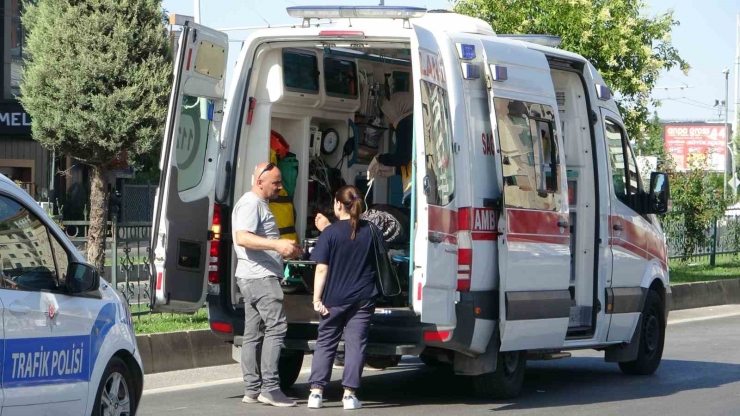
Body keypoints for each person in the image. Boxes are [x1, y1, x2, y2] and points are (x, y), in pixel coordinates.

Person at [232, 161, 302, 407]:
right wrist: (277, 245)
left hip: (252, 276)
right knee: (277, 327)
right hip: (260, 277)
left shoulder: (258, 203)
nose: (281, 187)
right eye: (276, 182)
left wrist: (284, 249)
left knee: (253, 332)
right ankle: (270, 388)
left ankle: (252, 389)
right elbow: (243, 237)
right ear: (259, 182)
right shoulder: (252, 203)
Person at [306, 185, 382, 410]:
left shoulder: (329, 232)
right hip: (363, 298)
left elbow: (322, 269)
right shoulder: (371, 230)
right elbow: (382, 258)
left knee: (326, 343)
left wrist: (316, 299)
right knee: (355, 344)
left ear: (338, 205)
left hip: (333, 299)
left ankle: (316, 393)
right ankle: (349, 395)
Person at [372, 91, 414, 205]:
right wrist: (394, 171)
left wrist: (379, 159)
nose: (387, 119)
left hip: (414, 189)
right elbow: (410, 159)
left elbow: (402, 158)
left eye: (387, 114)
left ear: (396, 108)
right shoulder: (412, 121)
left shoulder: (404, 124)